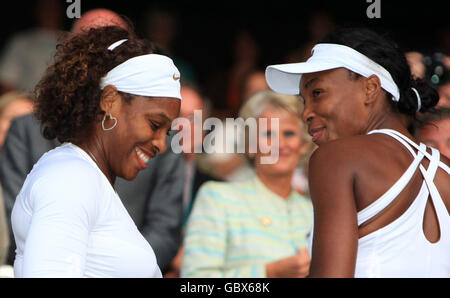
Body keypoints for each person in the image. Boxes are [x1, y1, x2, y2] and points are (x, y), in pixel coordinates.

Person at [0, 9, 184, 273]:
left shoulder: (84, 176)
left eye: (166, 132)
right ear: (110, 101)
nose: (161, 144)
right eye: (155, 125)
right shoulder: (70, 179)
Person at [265, 27, 450, 277]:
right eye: (303, 100)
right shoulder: (445, 171)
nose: (306, 113)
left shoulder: (336, 158)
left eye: (317, 93)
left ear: (370, 88)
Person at [181, 90, 313, 278]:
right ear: (250, 145)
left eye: (289, 133)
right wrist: (269, 273)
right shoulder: (217, 199)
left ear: (303, 144)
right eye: (269, 134)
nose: (279, 144)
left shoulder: (313, 212)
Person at [164, 84, 220, 278]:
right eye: (177, 117)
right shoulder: (133, 177)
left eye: (192, 119)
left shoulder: (219, 189)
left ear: (203, 133)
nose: (182, 126)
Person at [0, 0, 63, 93]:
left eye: (53, 7)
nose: (49, 11)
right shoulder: (21, 42)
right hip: (27, 104)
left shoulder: (72, 41)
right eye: (45, 7)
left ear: (60, 10)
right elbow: (7, 83)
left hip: (64, 105)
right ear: (37, 10)